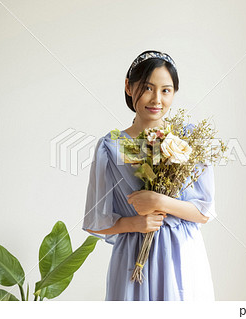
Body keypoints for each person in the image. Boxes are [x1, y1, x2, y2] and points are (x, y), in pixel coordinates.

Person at [82, 50, 217, 301]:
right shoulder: (110, 146)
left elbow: (204, 211)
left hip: (182, 256)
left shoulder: (189, 139)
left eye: (166, 90)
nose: (157, 99)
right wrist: (135, 224)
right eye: (147, 88)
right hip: (133, 260)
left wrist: (159, 202)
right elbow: (96, 220)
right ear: (128, 87)